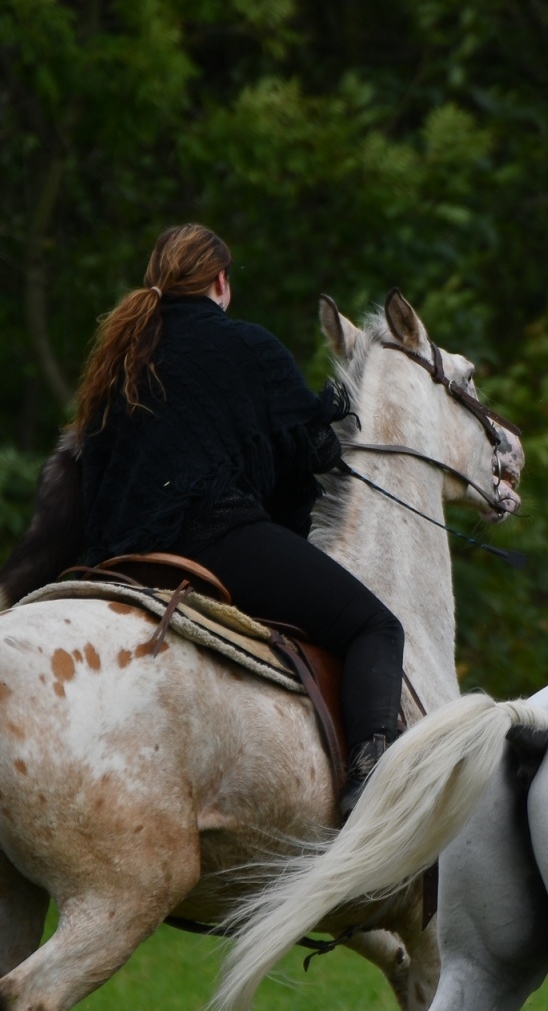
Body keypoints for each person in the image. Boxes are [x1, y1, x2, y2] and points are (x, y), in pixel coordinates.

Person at [73, 222, 402, 818]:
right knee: (374, 626)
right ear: (221, 282)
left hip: (117, 558)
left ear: (158, 281)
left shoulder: (119, 357)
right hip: (213, 542)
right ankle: (371, 780)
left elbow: (88, 473)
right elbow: (303, 454)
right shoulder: (246, 346)